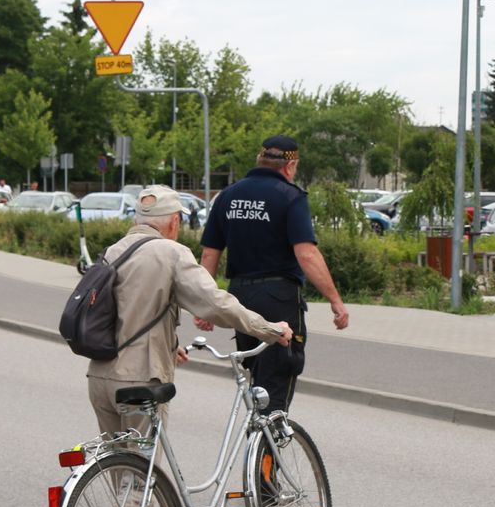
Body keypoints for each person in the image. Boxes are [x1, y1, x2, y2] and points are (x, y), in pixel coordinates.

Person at [86, 184, 292, 437]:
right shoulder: (172, 253)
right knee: (143, 469)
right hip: (138, 380)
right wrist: (270, 329)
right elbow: (216, 304)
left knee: (119, 465)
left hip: (99, 377)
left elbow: (125, 313)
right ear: (174, 221)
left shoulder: (112, 251)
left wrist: (169, 348)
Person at [196, 135, 349, 414]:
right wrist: (335, 300)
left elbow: (209, 256)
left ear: (260, 159)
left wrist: (206, 307)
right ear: (290, 165)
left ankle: (256, 445)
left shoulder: (228, 196)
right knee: (277, 380)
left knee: (255, 378)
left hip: (240, 298)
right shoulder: (290, 197)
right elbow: (307, 255)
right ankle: (266, 452)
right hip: (278, 299)